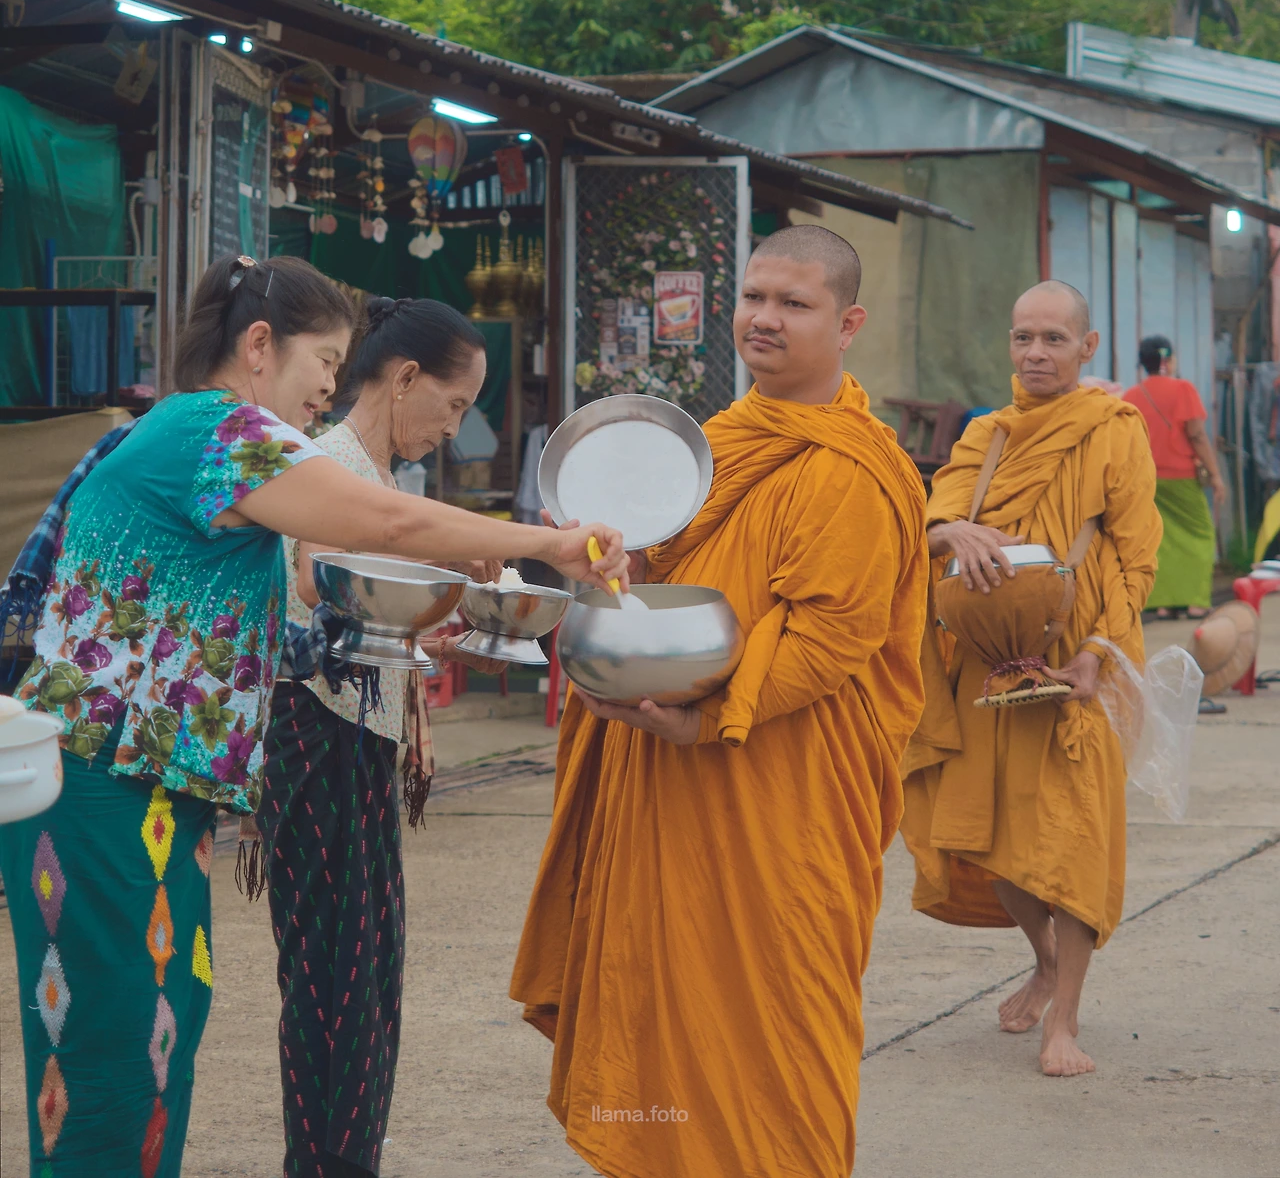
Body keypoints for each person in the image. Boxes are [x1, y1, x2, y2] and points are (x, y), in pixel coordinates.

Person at [0, 254, 626, 1178]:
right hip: (101, 794)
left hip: (153, 798)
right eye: (322, 364)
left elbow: (245, 638)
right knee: (113, 1065)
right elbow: (392, 526)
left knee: (157, 1042)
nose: (328, 391)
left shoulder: (204, 443)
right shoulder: (210, 434)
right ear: (260, 346)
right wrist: (550, 542)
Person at [510, 225, 930, 1178]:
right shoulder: (710, 447)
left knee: (776, 1015)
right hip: (665, 766)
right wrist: (606, 556)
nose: (764, 319)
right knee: (660, 993)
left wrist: (707, 719)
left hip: (781, 788)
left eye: (795, 303)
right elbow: (663, 574)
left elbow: (831, 636)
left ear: (848, 321)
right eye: (753, 297)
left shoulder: (855, 469)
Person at [263, 295, 506, 1178]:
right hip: (313, 738)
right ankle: (327, 1161)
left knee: (367, 967)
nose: (455, 428)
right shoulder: (329, 465)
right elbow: (304, 599)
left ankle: (345, 1155)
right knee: (333, 973)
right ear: (405, 378)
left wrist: (412, 636)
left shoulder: (380, 473)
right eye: (453, 404)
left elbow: (353, 616)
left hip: (356, 741)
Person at [900, 280, 1160, 1077]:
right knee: (989, 838)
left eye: (1053, 338)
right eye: (1023, 338)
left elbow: (1136, 558)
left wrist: (1099, 655)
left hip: (1080, 660)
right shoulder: (989, 434)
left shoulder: (1115, 430)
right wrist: (952, 528)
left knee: (1074, 842)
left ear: (1088, 347)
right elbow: (932, 523)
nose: (1035, 353)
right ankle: (1043, 961)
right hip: (986, 661)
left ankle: (1066, 1023)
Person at [1122, 334, 1225, 620]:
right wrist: (1215, 475)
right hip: (1181, 476)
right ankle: (1195, 602)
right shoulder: (1183, 389)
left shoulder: (1131, 396)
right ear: (1167, 360)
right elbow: (1196, 434)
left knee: (1160, 539)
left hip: (1148, 479)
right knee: (1201, 535)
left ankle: (1163, 604)